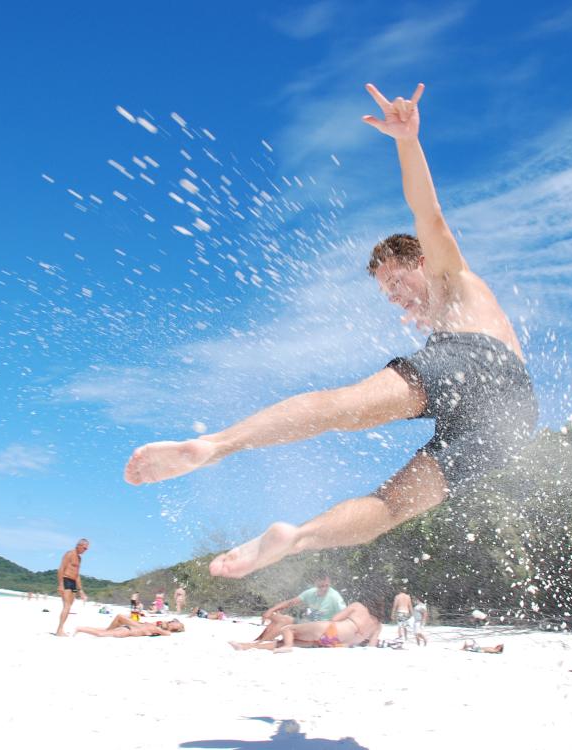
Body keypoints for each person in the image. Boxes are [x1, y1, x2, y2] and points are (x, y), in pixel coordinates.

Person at [123, 81, 537, 579]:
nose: (396, 296)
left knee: (345, 407)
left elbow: (429, 213)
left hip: (477, 364)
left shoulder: (452, 274)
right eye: (387, 294)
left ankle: (215, 446)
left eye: (397, 281)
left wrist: (407, 140)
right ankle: (296, 538)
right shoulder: (448, 314)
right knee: (391, 507)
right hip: (512, 419)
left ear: (422, 261)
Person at [231, 603, 382, 653]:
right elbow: (371, 646)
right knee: (283, 643)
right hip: (336, 643)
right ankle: (245, 646)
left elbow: (335, 619)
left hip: (331, 630)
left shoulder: (358, 607)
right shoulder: (378, 627)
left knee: (288, 629)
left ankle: (288, 645)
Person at [254, 574, 347, 642]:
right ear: (316, 584)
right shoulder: (311, 593)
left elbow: (346, 615)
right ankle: (260, 639)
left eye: (326, 586)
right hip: (308, 623)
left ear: (329, 584)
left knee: (285, 620)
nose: (324, 589)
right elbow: (290, 602)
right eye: (321, 586)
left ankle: (262, 643)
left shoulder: (335, 597)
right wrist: (270, 610)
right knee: (275, 617)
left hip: (321, 629)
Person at [55, 538, 89, 637]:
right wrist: (60, 584)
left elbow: (77, 575)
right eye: (84, 548)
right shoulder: (69, 554)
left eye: (86, 549)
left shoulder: (79, 558)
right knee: (66, 606)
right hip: (66, 580)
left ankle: (61, 629)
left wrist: (81, 590)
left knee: (69, 607)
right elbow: (61, 569)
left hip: (73, 583)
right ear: (79, 545)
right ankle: (59, 630)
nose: (85, 550)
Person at [75, 615, 184, 638]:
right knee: (104, 631)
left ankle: (81, 628)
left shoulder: (161, 628)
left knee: (105, 631)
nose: (173, 622)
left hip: (133, 629)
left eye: (176, 623)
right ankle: (81, 628)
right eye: (174, 621)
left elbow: (167, 633)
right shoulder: (162, 624)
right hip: (134, 628)